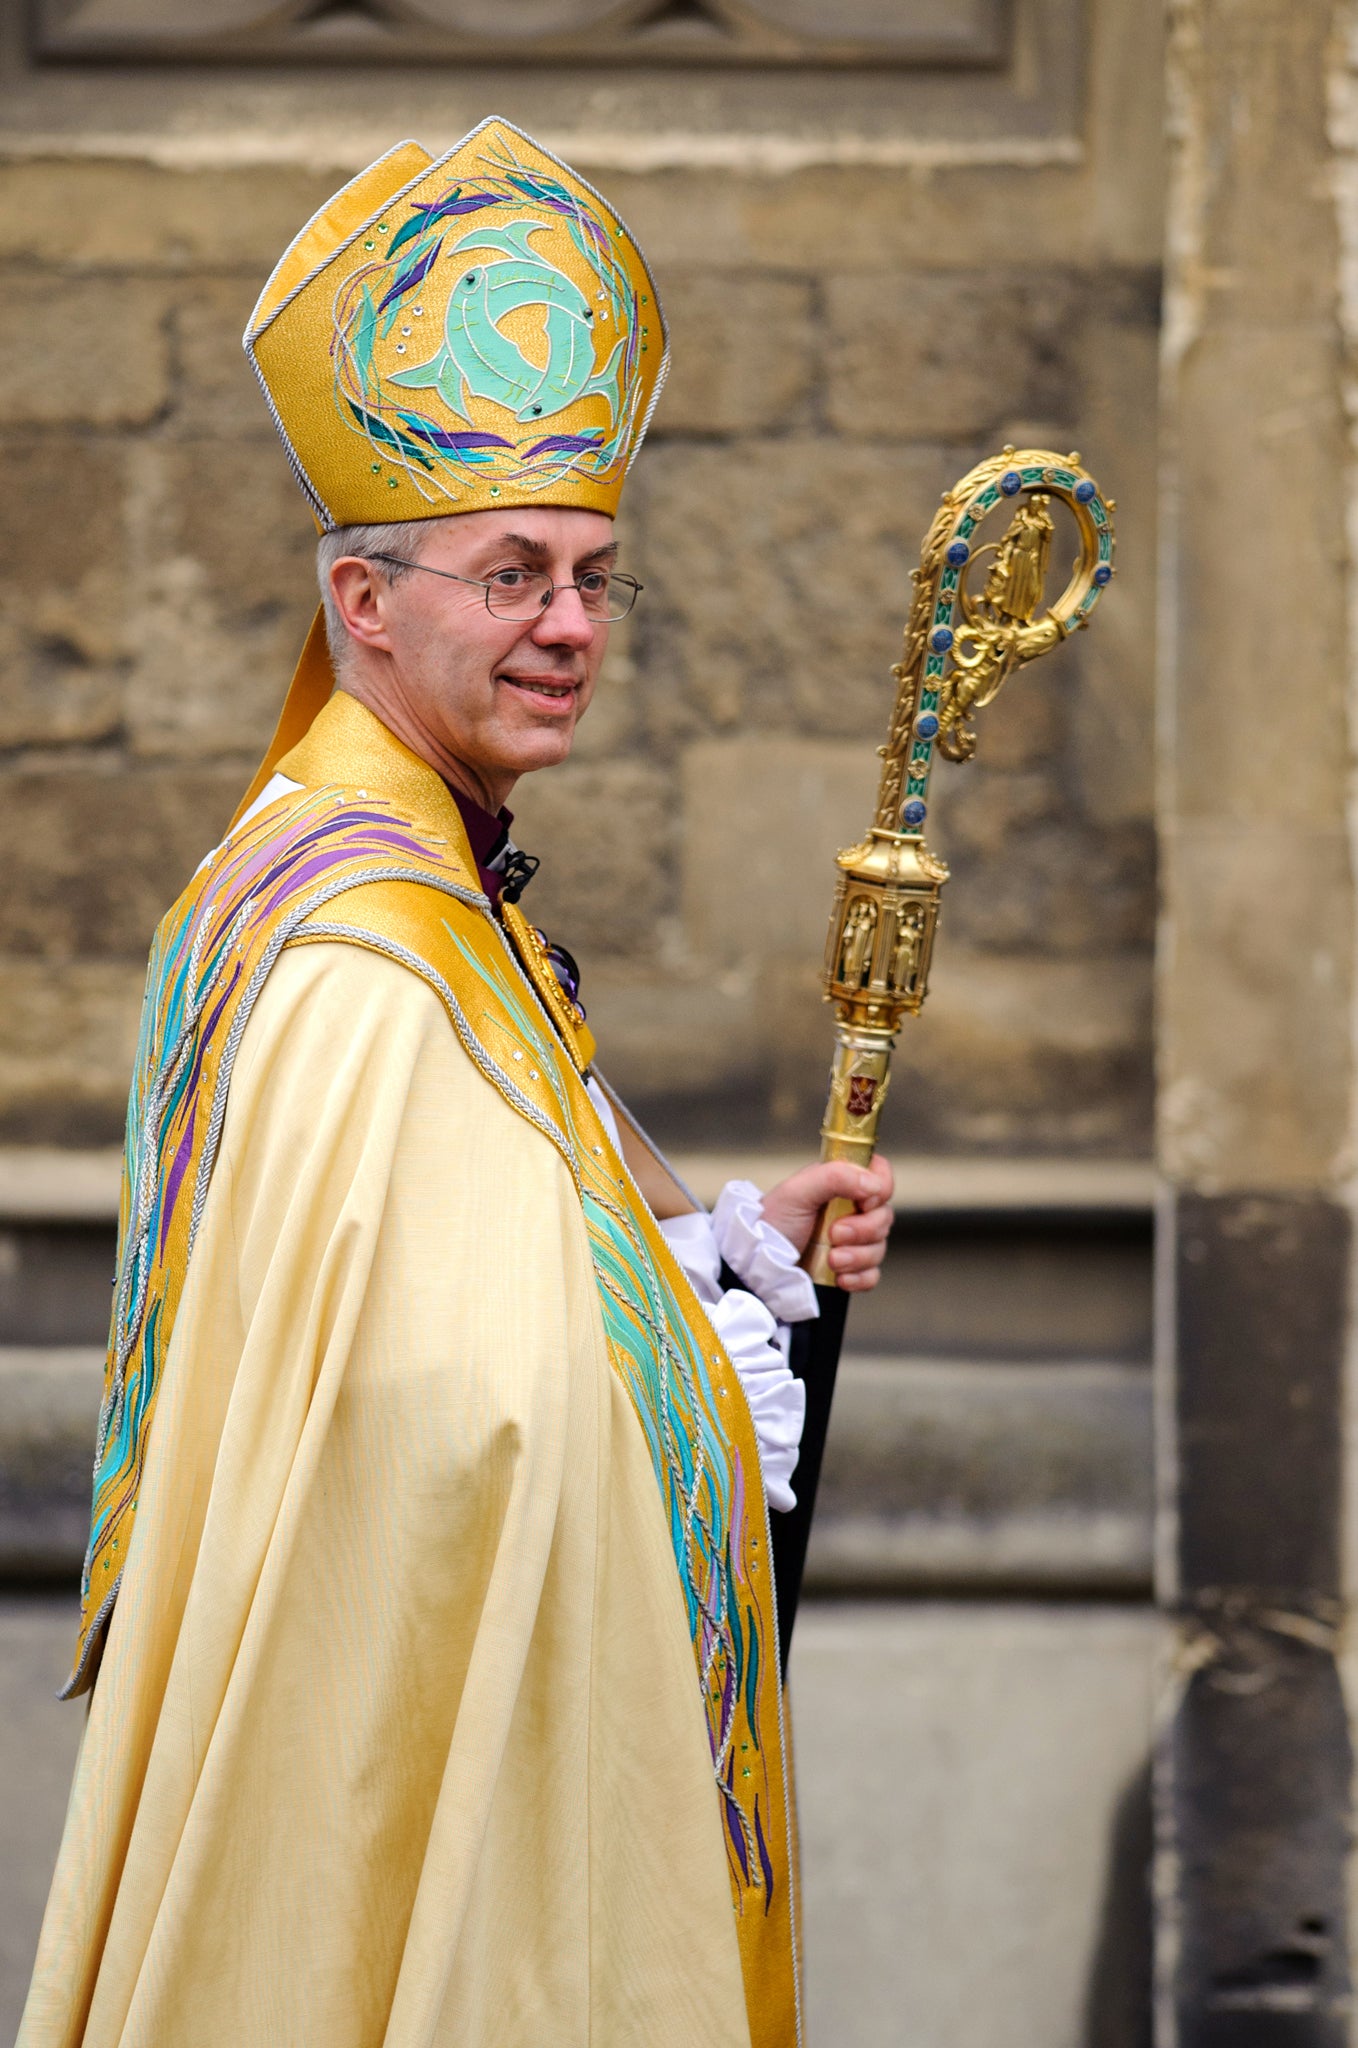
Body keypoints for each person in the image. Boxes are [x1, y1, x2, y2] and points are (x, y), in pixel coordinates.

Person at [19, 118, 893, 2048]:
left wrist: (724, 1239)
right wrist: (692, 1325)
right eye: (511, 575)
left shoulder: (427, 872)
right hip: (404, 1752)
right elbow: (452, 1409)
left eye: (593, 577)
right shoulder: (346, 938)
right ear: (364, 604)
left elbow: (516, 1215)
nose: (570, 626)